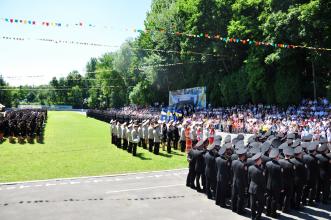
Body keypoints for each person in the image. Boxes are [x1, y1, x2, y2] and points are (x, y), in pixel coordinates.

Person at [248, 152, 266, 220]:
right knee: (260, 204)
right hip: (259, 189)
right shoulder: (261, 171)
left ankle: (252, 216)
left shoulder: (250, 168)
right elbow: (263, 182)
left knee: (252, 204)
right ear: (258, 160)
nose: (261, 160)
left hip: (252, 188)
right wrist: (264, 190)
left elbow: (249, 178)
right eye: (260, 159)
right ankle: (258, 217)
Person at [265, 148, 282, 218]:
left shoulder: (267, 163)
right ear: (276, 157)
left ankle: (267, 212)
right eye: (278, 156)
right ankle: (273, 213)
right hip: (276, 186)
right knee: (274, 199)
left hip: (268, 184)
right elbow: (280, 179)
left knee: (268, 198)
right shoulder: (279, 166)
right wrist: (281, 187)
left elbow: (265, 175)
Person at [231, 147, 248, 215]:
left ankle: (233, 208)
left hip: (234, 180)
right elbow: (244, 177)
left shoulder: (233, 161)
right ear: (242, 156)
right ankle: (239, 210)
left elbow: (231, 171)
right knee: (240, 197)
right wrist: (246, 185)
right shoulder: (243, 165)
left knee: (234, 195)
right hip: (240, 183)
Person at [278, 146, 295, 213]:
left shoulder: (279, 161)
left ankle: (279, 206)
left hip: (281, 181)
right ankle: (285, 208)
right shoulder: (291, 164)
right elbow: (293, 174)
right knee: (287, 196)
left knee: (281, 195)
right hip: (288, 182)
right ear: (290, 155)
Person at [302, 141, 319, 206]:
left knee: (305, 189)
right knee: (312, 189)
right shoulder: (314, 159)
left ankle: (303, 200)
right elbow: (317, 169)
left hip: (305, 175)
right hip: (312, 176)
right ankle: (310, 201)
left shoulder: (304, 156)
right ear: (314, 151)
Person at [290, 145, 307, 209]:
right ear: (299, 154)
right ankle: (297, 205)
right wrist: (305, 182)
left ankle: (291, 204)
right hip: (299, 181)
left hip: (292, 180)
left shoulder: (291, 160)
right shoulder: (302, 163)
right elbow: (304, 174)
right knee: (298, 194)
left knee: (292, 193)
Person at [215, 143, 232, 208]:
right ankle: (222, 203)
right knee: (223, 191)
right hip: (224, 178)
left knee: (218, 190)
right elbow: (228, 170)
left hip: (218, 176)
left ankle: (217, 201)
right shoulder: (226, 161)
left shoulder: (217, 159)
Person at [315, 139, 330, 204]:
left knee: (318, 186)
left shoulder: (317, 156)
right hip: (326, 175)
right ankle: (324, 200)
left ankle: (317, 198)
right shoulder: (328, 158)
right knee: (326, 188)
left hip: (318, 173)